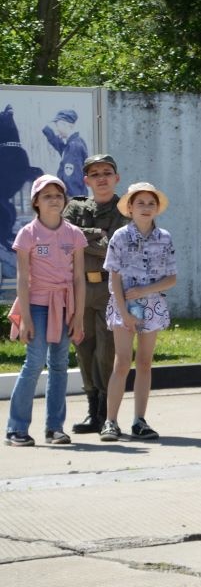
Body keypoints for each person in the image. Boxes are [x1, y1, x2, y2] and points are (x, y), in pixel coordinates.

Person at [6, 175, 86, 446]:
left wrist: (78, 315)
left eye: (58, 195)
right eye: (47, 196)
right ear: (36, 203)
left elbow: (78, 279)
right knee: (34, 362)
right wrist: (26, 318)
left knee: (60, 365)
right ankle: (16, 428)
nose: (54, 199)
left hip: (65, 306)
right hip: (37, 306)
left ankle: (55, 428)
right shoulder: (27, 234)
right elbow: (22, 278)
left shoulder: (74, 234)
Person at [100, 183, 177, 442]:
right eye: (140, 203)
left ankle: (139, 421)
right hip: (123, 305)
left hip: (152, 305)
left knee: (144, 362)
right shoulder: (120, 237)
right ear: (129, 208)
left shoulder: (165, 237)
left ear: (157, 208)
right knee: (122, 362)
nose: (146, 208)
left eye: (151, 203)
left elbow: (171, 279)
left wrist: (146, 290)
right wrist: (125, 314)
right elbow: (114, 279)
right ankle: (110, 422)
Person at [63, 154, 129, 435]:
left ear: (117, 178)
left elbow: (114, 247)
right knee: (83, 348)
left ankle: (106, 413)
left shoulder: (125, 210)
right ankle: (92, 411)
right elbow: (62, 239)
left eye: (107, 172)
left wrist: (80, 238)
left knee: (106, 351)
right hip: (79, 288)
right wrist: (95, 234)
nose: (101, 178)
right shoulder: (75, 206)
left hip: (110, 289)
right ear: (86, 180)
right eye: (95, 173)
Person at [41, 110, 89, 197]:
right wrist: (46, 130)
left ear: (65, 125)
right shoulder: (74, 142)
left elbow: (72, 180)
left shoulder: (73, 147)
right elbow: (59, 146)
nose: (57, 129)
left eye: (57, 125)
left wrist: (71, 203)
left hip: (73, 200)